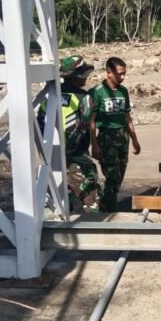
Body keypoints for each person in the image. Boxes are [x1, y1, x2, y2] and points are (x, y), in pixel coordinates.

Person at [37, 55, 100, 212]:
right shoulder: (84, 98)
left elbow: (40, 125)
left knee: (60, 199)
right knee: (90, 197)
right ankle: (93, 232)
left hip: (51, 157)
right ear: (78, 76)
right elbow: (84, 127)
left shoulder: (49, 98)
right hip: (77, 157)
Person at [82, 57, 141, 212]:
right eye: (120, 74)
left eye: (124, 74)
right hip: (106, 138)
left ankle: (105, 200)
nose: (123, 77)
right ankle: (109, 210)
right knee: (112, 176)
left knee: (119, 175)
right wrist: (94, 145)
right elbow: (92, 121)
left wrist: (134, 139)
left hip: (123, 137)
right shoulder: (97, 92)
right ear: (109, 73)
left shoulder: (123, 91)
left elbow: (127, 117)